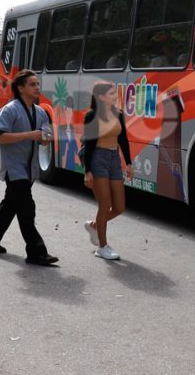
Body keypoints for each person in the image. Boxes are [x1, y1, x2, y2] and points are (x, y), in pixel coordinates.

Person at [0, 69, 58, 266]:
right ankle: (36, 251)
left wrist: (46, 138)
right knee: (27, 208)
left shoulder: (40, 112)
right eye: (32, 84)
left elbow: (45, 139)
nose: (37, 87)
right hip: (14, 169)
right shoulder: (10, 109)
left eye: (37, 84)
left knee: (10, 205)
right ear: (20, 88)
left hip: (29, 169)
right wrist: (30, 135)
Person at [82, 80, 133, 260]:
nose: (115, 95)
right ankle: (102, 247)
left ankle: (95, 225)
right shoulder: (91, 116)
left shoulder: (118, 114)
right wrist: (87, 171)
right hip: (98, 158)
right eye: (111, 93)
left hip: (114, 159)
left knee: (119, 207)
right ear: (101, 97)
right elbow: (88, 146)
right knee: (105, 205)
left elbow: (123, 140)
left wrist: (128, 163)